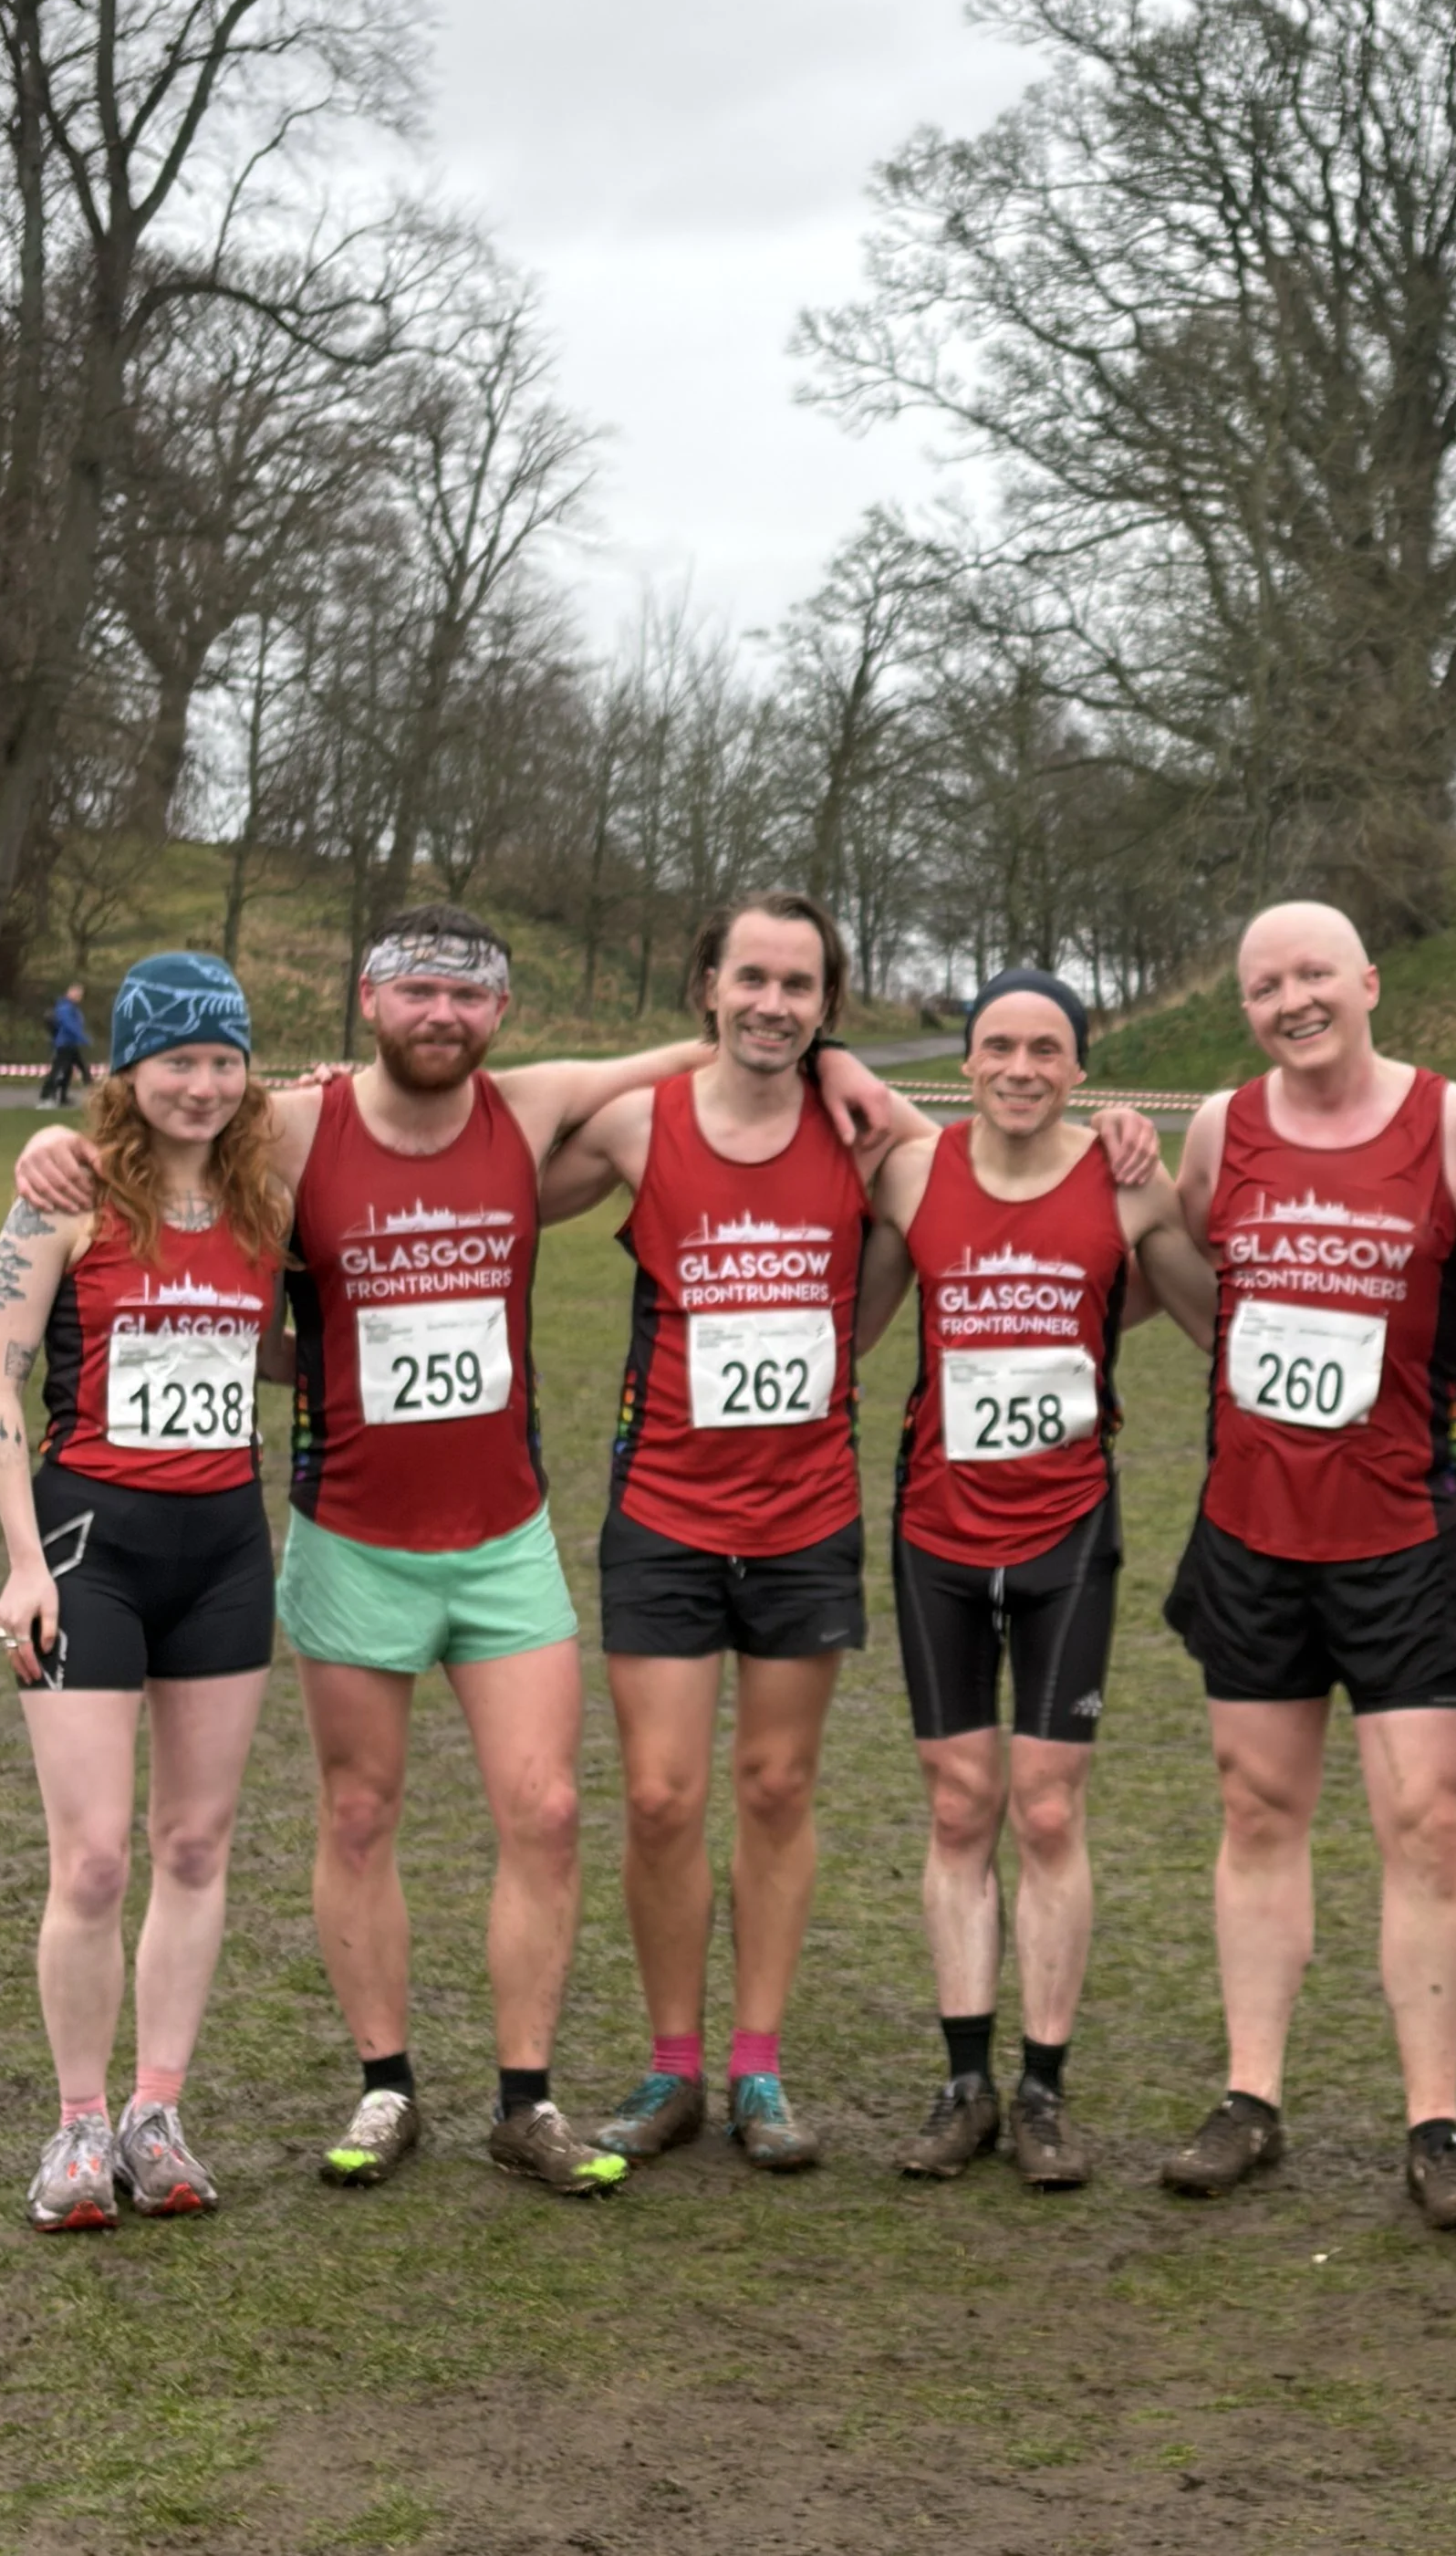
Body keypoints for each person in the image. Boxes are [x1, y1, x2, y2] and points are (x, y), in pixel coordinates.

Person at [13, 902, 891, 2197]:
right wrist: (51, 1138)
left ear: (501, 1013)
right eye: (416, 992)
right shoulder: (294, 1125)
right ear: (369, 1000)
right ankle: (385, 2087)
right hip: (349, 1529)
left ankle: (525, 2099)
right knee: (358, 1811)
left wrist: (835, 1057)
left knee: (546, 1809)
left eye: (468, 997)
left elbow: (708, 1052)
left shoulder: (530, 1108)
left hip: (504, 1537)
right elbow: (159, 1129)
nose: (442, 1016)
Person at [533, 905, 1161, 2175]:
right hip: (661, 1508)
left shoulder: (877, 1139)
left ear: (832, 1000)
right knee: (660, 1796)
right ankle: (674, 2067)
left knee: (775, 1788)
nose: (773, 1000)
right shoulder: (641, 1121)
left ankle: (758, 2070)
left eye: (800, 986)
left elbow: (1013, 1156)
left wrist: (1117, 1134)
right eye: (750, 978)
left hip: (806, 1513)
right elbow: (504, 1143)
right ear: (707, 983)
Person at [1156, 902, 1456, 2229]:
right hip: (1251, 1531)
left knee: (1426, 1823)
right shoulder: (1219, 1128)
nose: (1292, 999)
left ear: (1365, 981)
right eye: (1263, 984)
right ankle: (1252, 2096)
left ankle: (1435, 2117)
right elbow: (1196, 1274)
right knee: (1258, 1814)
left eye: (1313, 973)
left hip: (1400, 1534)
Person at [855, 967, 1212, 2187]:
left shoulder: (1123, 1184)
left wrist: (1163, 1221)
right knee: (960, 1805)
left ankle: (1043, 2089)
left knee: (1049, 1808)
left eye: (1045, 1049)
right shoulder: (913, 1172)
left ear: (1079, 1066)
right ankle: (963, 2083)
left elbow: (1214, 1318)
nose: (1020, 1067)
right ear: (967, 1061)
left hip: (1068, 1530)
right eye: (998, 1045)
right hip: (936, 1529)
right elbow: (848, 1325)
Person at [0, 954, 289, 2229]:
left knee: (196, 1846)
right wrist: (19, 1560)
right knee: (93, 1858)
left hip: (224, 1551)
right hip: (86, 1548)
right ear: (129, 1070)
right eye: (177, 1062)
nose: (202, 1085)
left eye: (224, 1061)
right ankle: (77, 2126)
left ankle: (159, 2114)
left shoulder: (269, 1198)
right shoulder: (69, 1193)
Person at [39, 984, 91, 1108]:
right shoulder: (64, 1007)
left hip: (72, 1044)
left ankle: (63, 1098)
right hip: (64, 1044)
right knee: (58, 1071)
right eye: (77, 994)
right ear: (69, 993)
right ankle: (46, 1098)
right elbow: (69, 1025)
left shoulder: (73, 1008)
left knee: (75, 1071)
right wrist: (83, 1038)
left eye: (80, 995)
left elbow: (77, 1024)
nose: (79, 997)